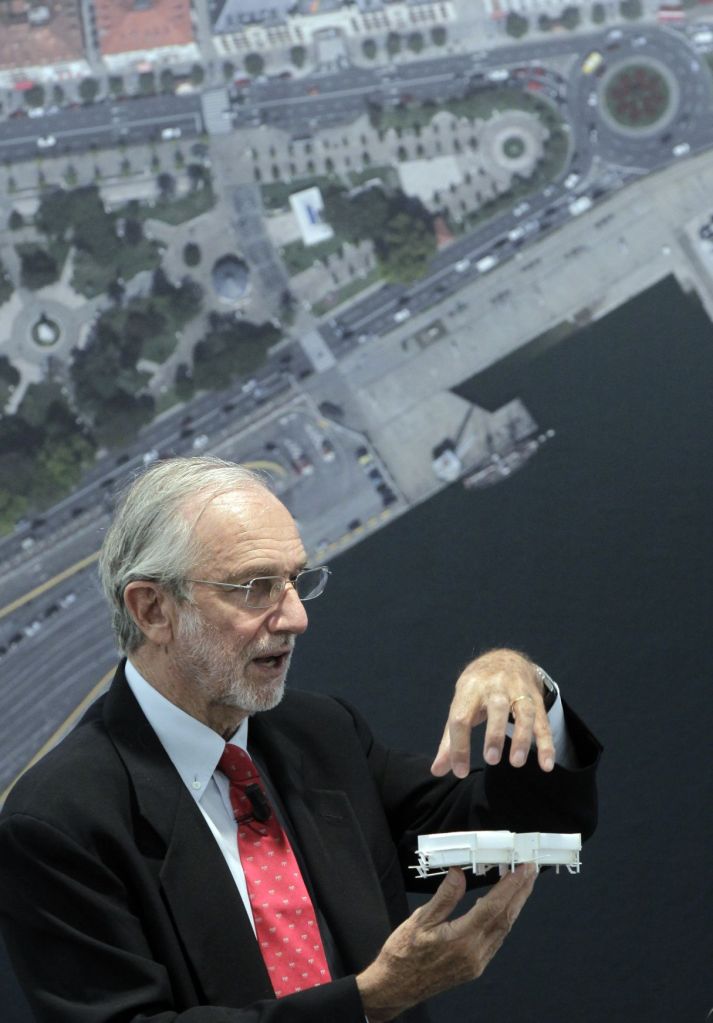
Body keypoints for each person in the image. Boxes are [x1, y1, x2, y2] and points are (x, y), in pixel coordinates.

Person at [0, 457, 601, 1023]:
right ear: (153, 609)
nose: (295, 618)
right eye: (255, 587)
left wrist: (530, 693)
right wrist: (367, 1003)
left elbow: (523, 837)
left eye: (295, 580)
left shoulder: (321, 735)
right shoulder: (57, 823)